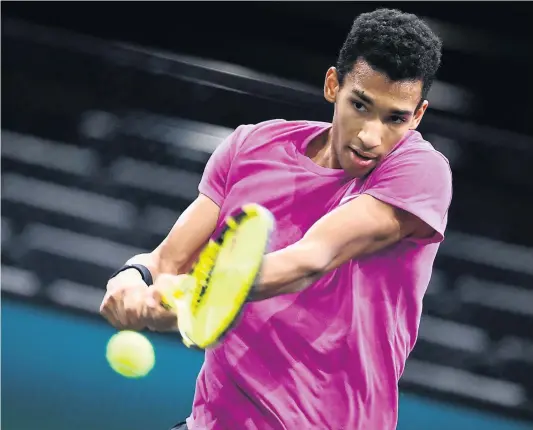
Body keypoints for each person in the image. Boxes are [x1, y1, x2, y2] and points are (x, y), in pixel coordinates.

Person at [100, 8, 452, 430]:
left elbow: (311, 258)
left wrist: (200, 295)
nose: (370, 136)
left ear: (417, 116)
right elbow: (166, 261)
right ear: (332, 85)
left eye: (395, 118)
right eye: (360, 105)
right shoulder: (252, 145)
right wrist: (134, 278)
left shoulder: (421, 172)